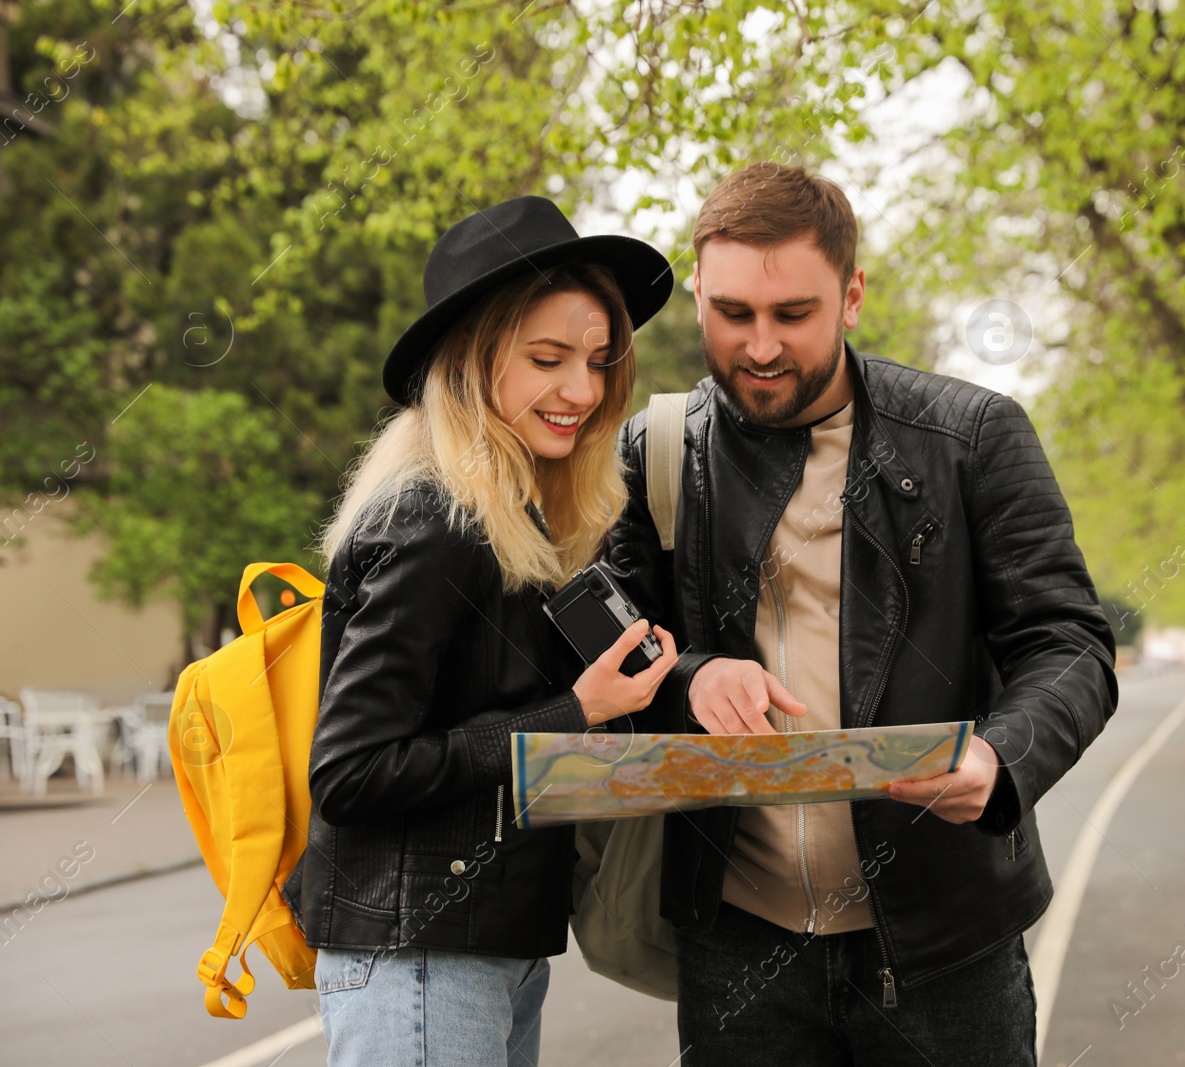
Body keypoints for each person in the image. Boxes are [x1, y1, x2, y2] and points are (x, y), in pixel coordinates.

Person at [600, 162, 1120, 1065]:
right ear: (697, 296)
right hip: (736, 946)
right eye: (733, 313)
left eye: (792, 314)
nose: (760, 346)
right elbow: (608, 628)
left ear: (851, 296)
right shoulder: (656, 449)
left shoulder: (975, 437)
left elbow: (1069, 642)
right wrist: (688, 674)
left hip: (946, 945)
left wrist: (1002, 755)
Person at [296, 195, 685, 1066]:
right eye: (547, 359)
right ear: (473, 359)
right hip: (420, 959)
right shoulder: (435, 520)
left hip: (487, 948)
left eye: (595, 360)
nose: (581, 392)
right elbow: (350, 772)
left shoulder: (520, 520)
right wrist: (571, 713)